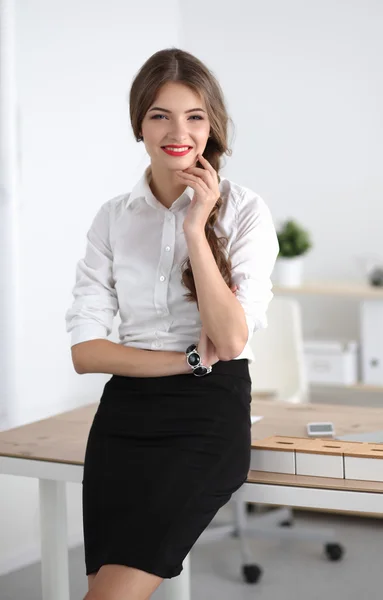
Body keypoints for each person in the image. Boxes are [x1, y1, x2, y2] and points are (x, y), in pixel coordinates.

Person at [65, 47, 279, 600]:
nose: (177, 130)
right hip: (124, 418)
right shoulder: (114, 217)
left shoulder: (245, 211)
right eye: (160, 114)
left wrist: (195, 227)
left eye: (195, 116)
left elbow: (230, 341)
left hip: (206, 419)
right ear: (139, 122)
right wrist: (185, 359)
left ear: (213, 126)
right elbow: (86, 353)